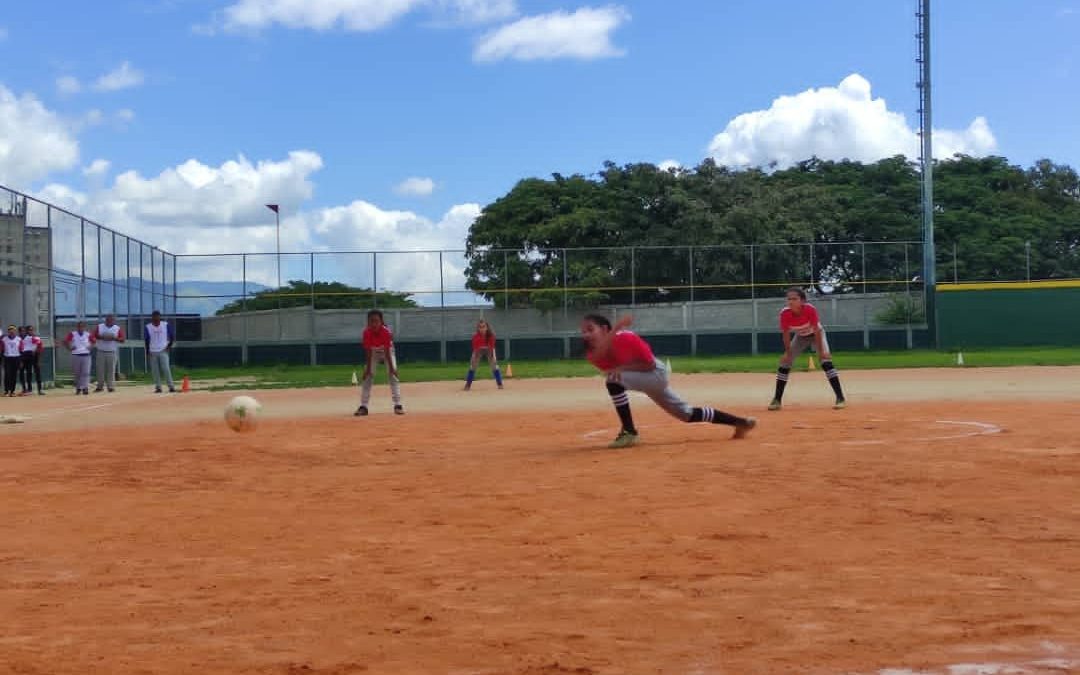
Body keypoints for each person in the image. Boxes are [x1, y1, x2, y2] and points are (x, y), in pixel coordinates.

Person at [581, 314, 756, 449]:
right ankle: (740, 422)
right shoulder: (592, 354)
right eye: (583, 331)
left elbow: (648, 365)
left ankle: (629, 431)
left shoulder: (626, 337)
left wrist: (621, 367)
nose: (586, 335)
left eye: (590, 329)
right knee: (687, 414)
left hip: (655, 373)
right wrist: (616, 327)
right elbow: (601, 356)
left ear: (605, 329)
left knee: (613, 380)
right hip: (644, 380)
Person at [768, 287, 847, 411]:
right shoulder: (785, 313)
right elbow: (786, 334)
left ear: (802, 301)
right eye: (789, 299)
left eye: (794, 299)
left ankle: (840, 398)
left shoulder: (809, 309)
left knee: (826, 362)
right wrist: (788, 354)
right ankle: (777, 400)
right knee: (784, 363)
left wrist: (821, 352)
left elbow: (816, 331)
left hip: (817, 335)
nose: (791, 301)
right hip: (801, 337)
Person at [356, 309, 404, 416]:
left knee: (393, 376)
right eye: (371, 321)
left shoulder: (386, 332)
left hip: (387, 351)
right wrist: (367, 370)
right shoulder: (366, 332)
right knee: (368, 377)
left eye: (376, 321)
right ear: (368, 322)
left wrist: (392, 369)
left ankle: (398, 405)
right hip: (373, 352)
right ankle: (364, 406)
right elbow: (368, 352)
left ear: (381, 321)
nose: (374, 324)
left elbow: (387, 352)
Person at [464, 319, 504, 391]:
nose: (482, 329)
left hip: (489, 349)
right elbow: (475, 350)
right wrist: (472, 358)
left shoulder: (491, 336)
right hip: (479, 350)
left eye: (483, 327)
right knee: (473, 365)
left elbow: (492, 348)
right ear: (478, 328)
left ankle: (500, 384)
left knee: (494, 365)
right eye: (480, 327)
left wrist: (494, 357)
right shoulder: (475, 337)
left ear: (487, 327)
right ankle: (468, 385)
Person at [144, 310, 175, 394]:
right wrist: (147, 351)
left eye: (157, 317)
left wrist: (168, 347)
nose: (156, 319)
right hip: (152, 351)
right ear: (152, 318)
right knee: (155, 370)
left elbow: (172, 336)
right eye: (154, 317)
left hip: (163, 350)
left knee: (166, 368)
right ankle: (158, 387)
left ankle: (171, 386)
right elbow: (146, 340)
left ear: (160, 317)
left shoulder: (165, 325)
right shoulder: (148, 327)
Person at [93, 314, 125, 393]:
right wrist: (102, 337)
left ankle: (110, 386)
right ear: (105, 320)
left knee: (111, 370)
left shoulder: (117, 328)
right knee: (100, 370)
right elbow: (94, 335)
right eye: (108, 319)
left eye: (111, 320)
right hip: (101, 351)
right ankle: (100, 386)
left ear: (113, 320)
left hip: (112, 351)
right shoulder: (100, 326)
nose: (109, 321)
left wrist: (114, 338)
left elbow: (122, 339)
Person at [64, 320, 95, 395]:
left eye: (82, 326)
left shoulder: (88, 334)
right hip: (76, 355)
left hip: (86, 355)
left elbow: (94, 341)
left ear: (84, 327)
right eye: (79, 326)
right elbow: (65, 341)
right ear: (77, 327)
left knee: (86, 372)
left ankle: (85, 388)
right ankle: (78, 387)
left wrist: (90, 347)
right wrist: (70, 348)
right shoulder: (73, 334)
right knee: (77, 373)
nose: (81, 328)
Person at [20, 325, 44, 396]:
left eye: (32, 330)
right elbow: (22, 348)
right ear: (27, 331)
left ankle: (40, 389)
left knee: (38, 373)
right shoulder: (25, 339)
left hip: (35, 356)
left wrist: (39, 360)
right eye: (29, 330)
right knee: (28, 373)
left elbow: (39, 349)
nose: (30, 331)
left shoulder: (36, 338)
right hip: (27, 356)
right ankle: (27, 389)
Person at [2, 325, 23, 397]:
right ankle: (6, 391)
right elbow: (1, 349)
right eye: (10, 330)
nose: (11, 331)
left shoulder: (19, 339)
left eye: (13, 330)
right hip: (7, 358)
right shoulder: (4, 339)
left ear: (15, 331)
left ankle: (12, 391)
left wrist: (21, 361)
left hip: (16, 358)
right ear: (8, 331)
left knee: (14, 375)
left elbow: (21, 350)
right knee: (7, 374)